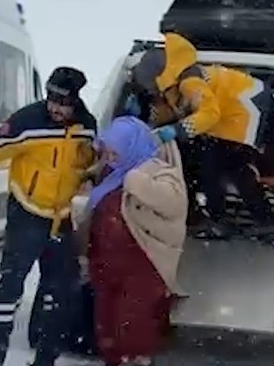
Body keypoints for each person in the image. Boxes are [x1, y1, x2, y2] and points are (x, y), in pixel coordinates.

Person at [0, 66, 97, 366]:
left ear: (75, 100)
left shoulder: (87, 126)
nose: (54, 107)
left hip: (62, 219)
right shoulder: (28, 120)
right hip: (27, 213)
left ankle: (45, 359)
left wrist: (90, 179)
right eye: (50, 99)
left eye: (61, 102)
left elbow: (91, 161)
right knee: (9, 291)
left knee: (58, 295)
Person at [126, 32, 274, 238]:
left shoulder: (190, 82)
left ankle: (221, 220)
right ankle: (261, 220)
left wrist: (176, 131)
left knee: (216, 165)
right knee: (225, 165)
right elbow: (180, 110)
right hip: (235, 117)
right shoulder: (180, 81)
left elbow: (210, 113)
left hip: (243, 114)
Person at [81, 116, 188, 366]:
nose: (110, 157)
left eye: (115, 151)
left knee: (133, 326)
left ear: (131, 146)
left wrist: (135, 181)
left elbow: (173, 204)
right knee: (106, 327)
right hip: (106, 264)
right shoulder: (109, 174)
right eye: (108, 151)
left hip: (144, 264)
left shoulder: (158, 170)